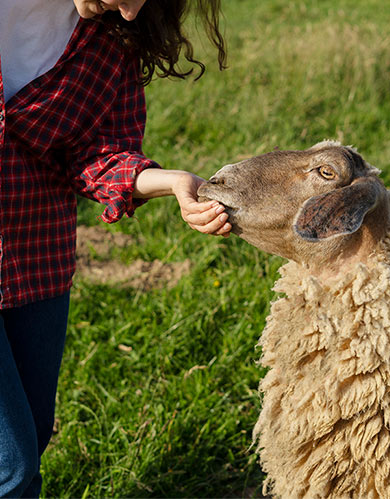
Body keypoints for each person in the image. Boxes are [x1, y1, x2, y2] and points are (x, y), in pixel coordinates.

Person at [0, 0, 230, 496]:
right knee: (12, 468)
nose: (131, 9)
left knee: (33, 433)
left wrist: (168, 181)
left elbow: (97, 153)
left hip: (36, 256)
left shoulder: (111, 37)